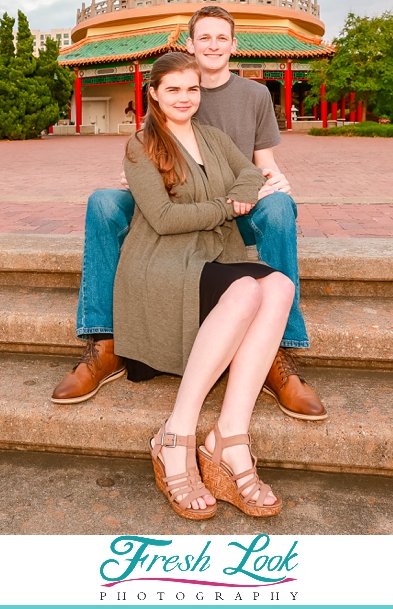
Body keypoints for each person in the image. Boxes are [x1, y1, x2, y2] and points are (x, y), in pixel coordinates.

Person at [51, 5, 328, 421]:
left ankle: (279, 352)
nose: (213, 45)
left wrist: (271, 181)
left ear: (234, 45)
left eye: (222, 38)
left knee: (280, 207)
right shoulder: (166, 105)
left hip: (236, 199)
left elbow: (259, 163)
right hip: (174, 194)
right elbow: (153, 162)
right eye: (204, 38)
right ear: (190, 45)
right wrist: (143, 175)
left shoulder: (252, 95)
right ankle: (103, 339)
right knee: (104, 202)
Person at [114, 49, 294, 519]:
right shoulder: (141, 146)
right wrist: (227, 208)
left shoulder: (212, 137)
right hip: (163, 262)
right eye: (173, 89)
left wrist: (240, 193)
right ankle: (176, 433)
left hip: (214, 252)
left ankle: (228, 438)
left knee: (279, 287)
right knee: (247, 289)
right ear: (153, 94)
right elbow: (164, 217)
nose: (184, 97)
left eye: (192, 88)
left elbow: (251, 170)